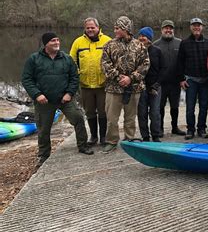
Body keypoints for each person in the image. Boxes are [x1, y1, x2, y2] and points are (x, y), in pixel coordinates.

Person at [22, 32, 93, 166]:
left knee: (78, 118)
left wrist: (69, 93)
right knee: (43, 128)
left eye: (57, 40)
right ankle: (44, 155)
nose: (56, 43)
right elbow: (26, 79)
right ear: (46, 44)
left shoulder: (67, 59)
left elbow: (74, 78)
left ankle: (83, 145)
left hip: (64, 99)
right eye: (53, 41)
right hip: (44, 100)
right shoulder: (34, 59)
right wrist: (37, 94)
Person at [101, 16, 150, 153]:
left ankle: (129, 140)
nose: (115, 30)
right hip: (113, 88)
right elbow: (105, 65)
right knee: (111, 118)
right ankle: (111, 141)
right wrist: (118, 77)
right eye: (115, 28)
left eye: (118, 28)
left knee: (130, 117)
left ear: (126, 29)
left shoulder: (139, 45)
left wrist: (130, 78)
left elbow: (145, 65)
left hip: (134, 88)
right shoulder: (109, 45)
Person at [70, 17, 111, 145]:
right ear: (85, 29)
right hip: (85, 85)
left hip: (103, 85)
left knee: (103, 112)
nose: (90, 30)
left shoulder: (108, 41)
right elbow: (72, 62)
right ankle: (93, 136)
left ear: (98, 28)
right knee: (90, 112)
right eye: (88, 28)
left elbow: (114, 60)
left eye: (92, 27)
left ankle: (103, 137)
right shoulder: (78, 42)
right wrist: (77, 74)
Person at [177, 18, 208, 140]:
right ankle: (190, 129)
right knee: (190, 107)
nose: (196, 28)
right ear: (190, 27)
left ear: (202, 27)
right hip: (190, 80)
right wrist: (181, 79)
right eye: (194, 26)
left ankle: (201, 128)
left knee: (204, 106)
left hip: (205, 80)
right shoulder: (184, 43)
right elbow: (180, 63)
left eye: (198, 26)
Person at [154, 20, 185, 136]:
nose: (168, 30)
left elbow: (183, 62)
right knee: (160, 106)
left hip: (175, 81)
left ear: (173, 30)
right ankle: (160, 128)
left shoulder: (180, 43)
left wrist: (183, 78)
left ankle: (175, 127)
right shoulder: (155, 44)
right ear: (162, 30)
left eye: (170, 28)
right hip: (161, 83)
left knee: (175, 106)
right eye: (166, 28)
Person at [137, 27, 164, 142]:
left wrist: (157, 84)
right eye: (141, 36)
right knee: (142, 112)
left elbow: (163, 69)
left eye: (145, 36)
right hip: (140, 86)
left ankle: (156, 135)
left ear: (149, 38)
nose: (142, 38)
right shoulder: (135, 51)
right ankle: (145, 136)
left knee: (155, 112)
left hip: (155, 86)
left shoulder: (157, 51)